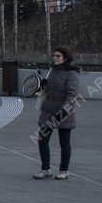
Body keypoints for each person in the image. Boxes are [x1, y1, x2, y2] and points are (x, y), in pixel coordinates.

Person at [34, 47, 81, 180]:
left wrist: (64, 110)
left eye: (58, 56)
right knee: (42, 140)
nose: (54, 58)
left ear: (65, 58)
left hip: (63, 110)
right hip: (48, 109)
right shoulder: (52, 71)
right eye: (53, 55)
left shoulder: (71, 73)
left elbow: (72, 94)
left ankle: (63, 170)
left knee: (64, 142)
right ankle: (45, 169)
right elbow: (48, 90)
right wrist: (44, 85)